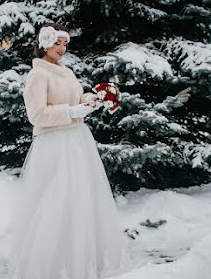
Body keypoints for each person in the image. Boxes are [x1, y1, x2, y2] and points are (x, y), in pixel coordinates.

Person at [9, 23, 129, 279]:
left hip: (77, 141)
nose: (62, 48)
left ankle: (81, 260)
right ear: (44, 44)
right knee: (55, 201)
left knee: (81, 199)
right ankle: (50, 266)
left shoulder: (66, 71)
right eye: (57, 43)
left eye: (65, 44)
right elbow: (37, 115)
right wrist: (72, 112)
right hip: (54, 144)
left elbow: (74, 99)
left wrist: (89, 100)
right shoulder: (38, 75)